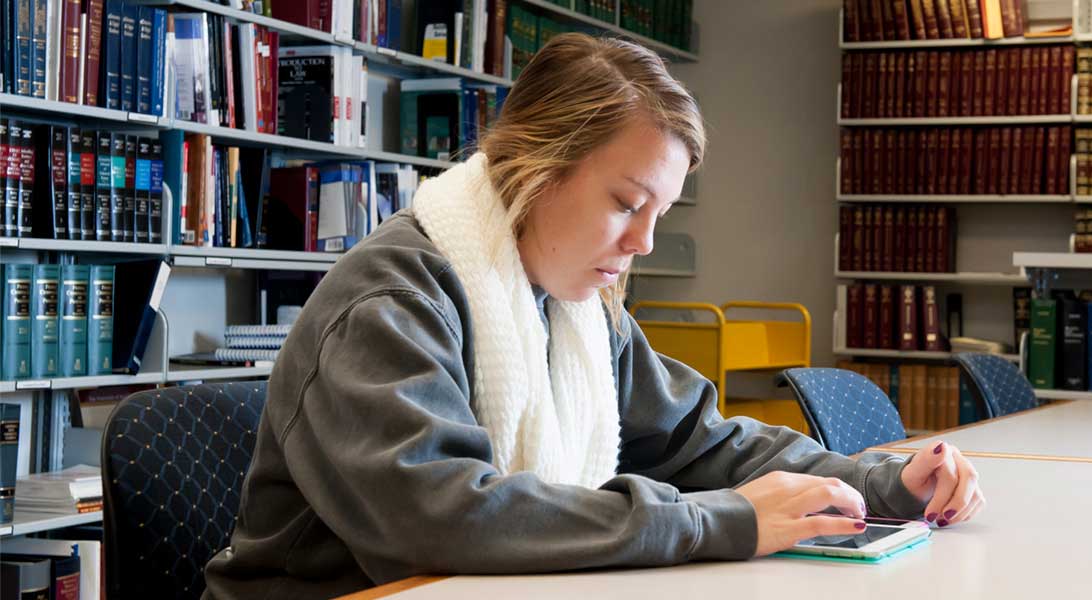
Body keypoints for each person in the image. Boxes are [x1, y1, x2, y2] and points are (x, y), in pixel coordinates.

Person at [202, 33, 984, 599]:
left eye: (659, 214)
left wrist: (880, 483)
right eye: (626, 203)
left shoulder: (574, 305)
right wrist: (720, 522)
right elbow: (445, 521)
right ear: (535, 168)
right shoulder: (392, 304)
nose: (643, 243)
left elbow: (699, 441)